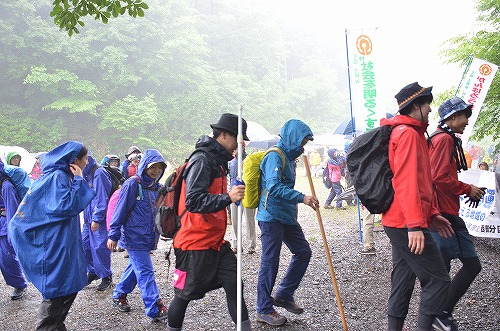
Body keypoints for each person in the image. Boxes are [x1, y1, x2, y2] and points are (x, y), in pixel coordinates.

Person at [379, 82, 455, 331]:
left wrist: (432, 214)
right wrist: (415, 225)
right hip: (405, 222)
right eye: (427, 104)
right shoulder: (409, 134)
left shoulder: (407, 132)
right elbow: (407, 182)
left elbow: (420, 182)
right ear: (415, 106)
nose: (431, 109)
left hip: (397, 220)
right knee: (438, 279)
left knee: (403, 279)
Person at [167, 113, 252, 331]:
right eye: (237, 139)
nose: (239, 145)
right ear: (224, 135)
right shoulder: (202, 160)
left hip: (214, 242)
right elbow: (194, 201)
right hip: (193, 243)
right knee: (184, 294)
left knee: (235, 283)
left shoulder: (218, 161)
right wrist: (228, 197)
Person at [8, 141, 95, 330]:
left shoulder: (56, 176)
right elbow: (66, 206)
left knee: (64, 292)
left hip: (59, 241)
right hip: (54, 245)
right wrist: (79, 180)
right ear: (74, 160)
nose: (87, 163)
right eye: (86, 158)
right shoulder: (57, 178)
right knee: (58, 293)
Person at [428, 96, 485, 329]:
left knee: (443, 267)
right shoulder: (444, 140)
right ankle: (440, 313)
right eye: (464, 116)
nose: (466, 121)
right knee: (472, 265)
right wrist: (467, 188)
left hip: (439, 211)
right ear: (452, 117)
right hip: (445, 213)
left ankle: (433, 316)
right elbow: (438, 177)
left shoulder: (440, 137)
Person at [255, 119, 318, 326]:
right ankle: (263, 308)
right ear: (292, 138)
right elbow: (273, 187)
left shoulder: (291, 157)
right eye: (302, 142)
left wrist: (296, 204)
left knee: (303, 251)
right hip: (270, 216)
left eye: (306, 142)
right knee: (270, 261)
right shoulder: (274, 155)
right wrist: (302, 197)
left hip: (287, 215)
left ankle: (284, 294)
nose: (303, 147)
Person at [107, 149, 168, 322]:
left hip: (149, 237)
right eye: (152, 167)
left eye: (159, 167)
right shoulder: (133, 184)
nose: (155, 171)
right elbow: (120, 210)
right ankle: (154, 307)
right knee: (146, 271)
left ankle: (119, 294)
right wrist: (113, 235)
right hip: (134, 236)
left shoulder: (158, 188)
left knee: (136, 267)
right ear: (144, 166)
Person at [82, 152, 113, 291]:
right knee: (84, 245)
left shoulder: (99, 173)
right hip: (88, 216)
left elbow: (102, 198)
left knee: (100, 247)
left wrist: (97, 218)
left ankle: (106, 276)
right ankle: (93, 271)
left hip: (97, 218)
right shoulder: (85, 173)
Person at [0, 159, 28, 300]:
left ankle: (19, 284)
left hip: (4, 224)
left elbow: (12, 210)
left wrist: (13, 234)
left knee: (7, 257)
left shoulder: (6, 186)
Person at [229, 141, 257, 254]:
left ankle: (251, 244)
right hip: (234, 192)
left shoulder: (250, 159)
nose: (235, 149)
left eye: (238, 147)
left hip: (247, 192)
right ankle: (236, 244)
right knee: (235, 219)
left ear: (243, 147)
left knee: (249, 219)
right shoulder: (230, 161)